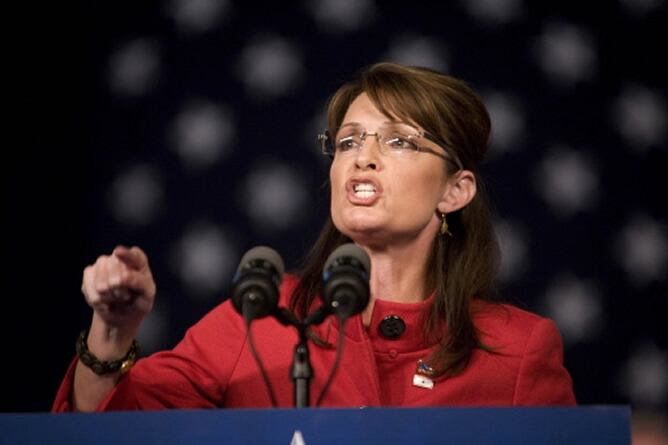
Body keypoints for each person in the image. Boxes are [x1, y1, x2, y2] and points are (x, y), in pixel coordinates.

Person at [53, 62, 576, 412]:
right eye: (348, 141)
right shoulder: (255, 320)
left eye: (399, 141)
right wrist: (112, 331)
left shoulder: (519, 349)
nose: (362, 156)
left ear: (455, 192)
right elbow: (107, 430)